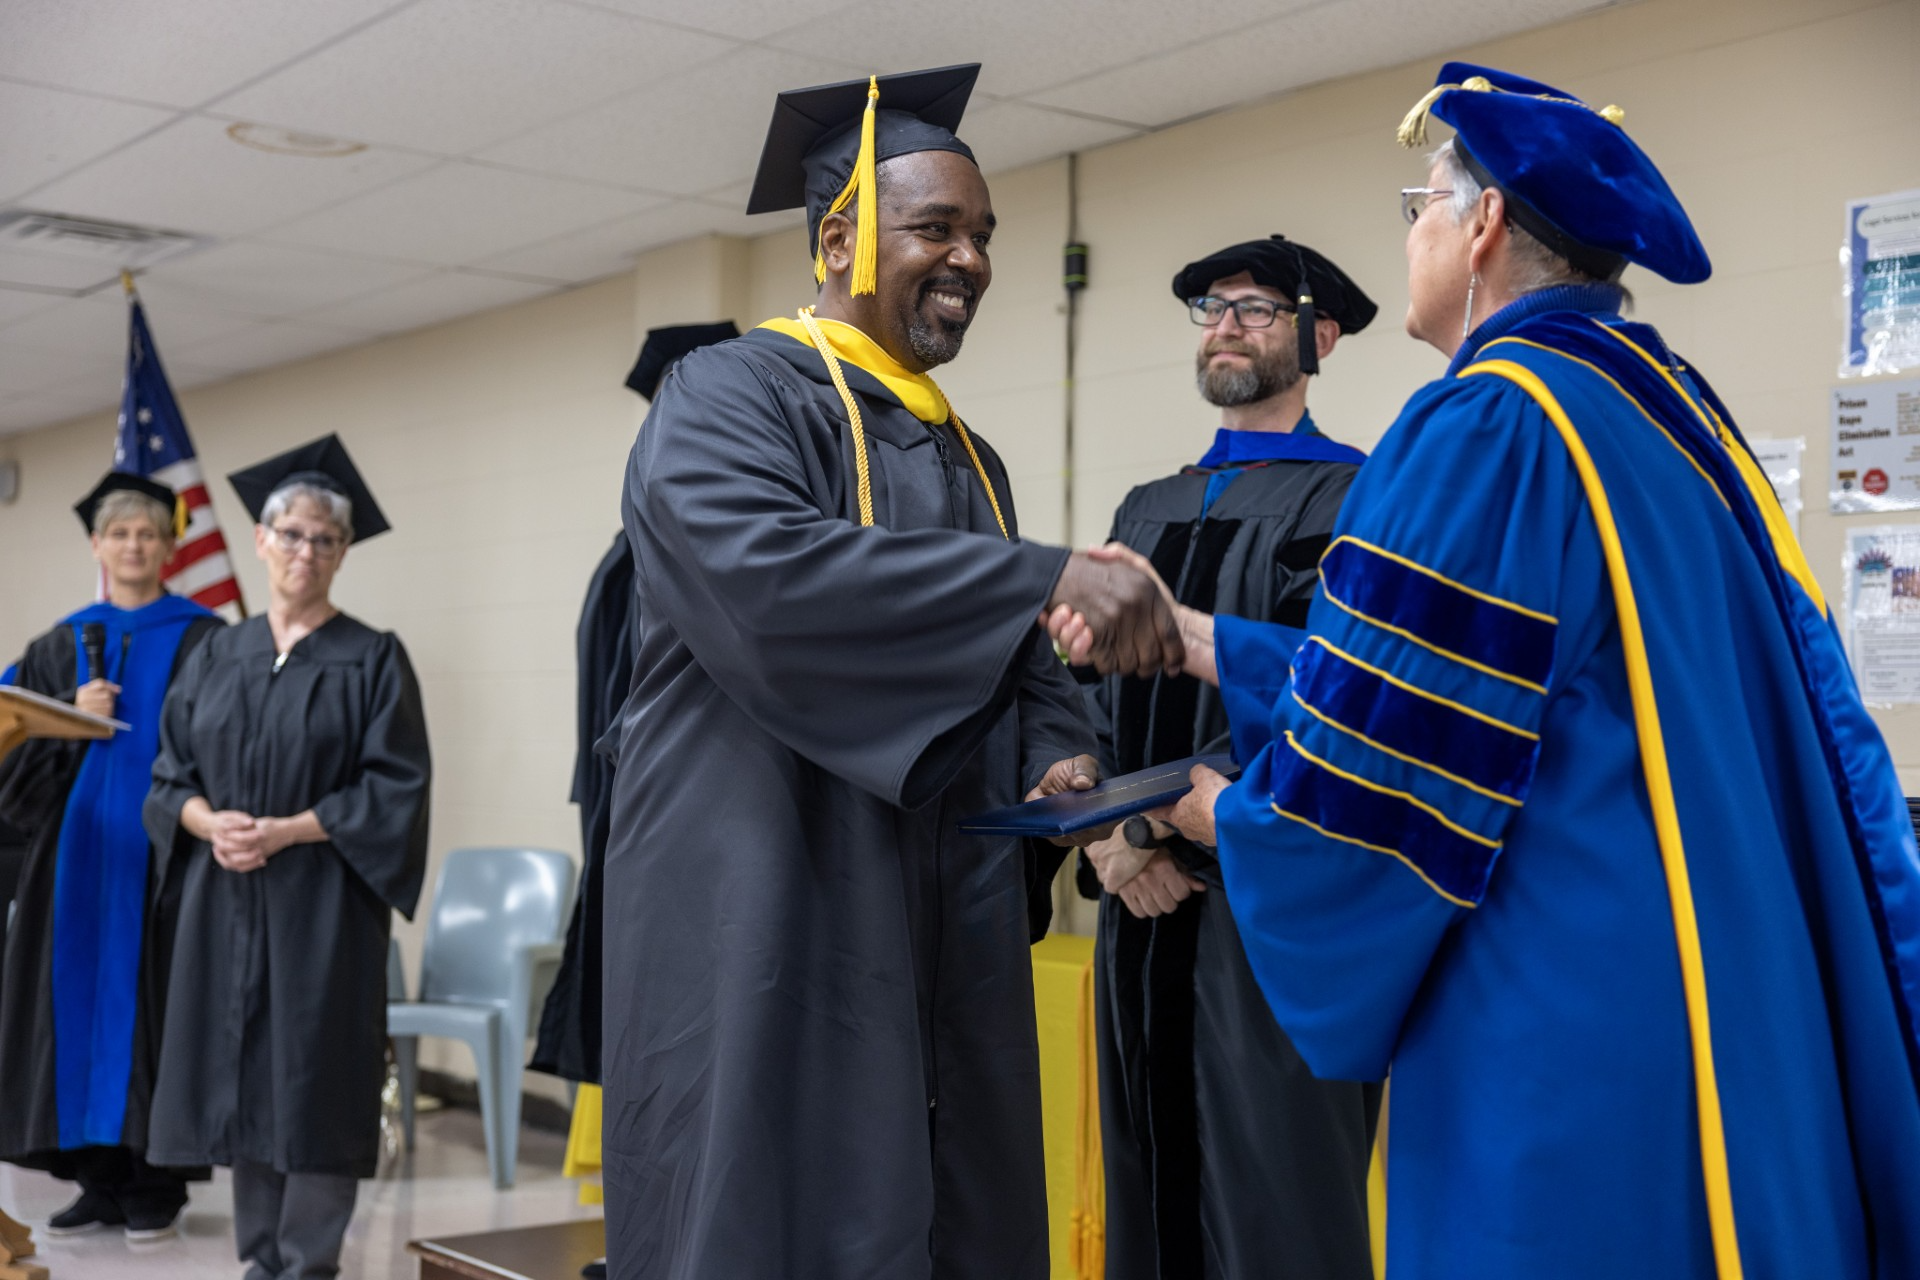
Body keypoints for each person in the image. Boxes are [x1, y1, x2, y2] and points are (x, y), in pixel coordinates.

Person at [1054, 62, 1920, 1280]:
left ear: (1486, 223)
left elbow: (1385, 782)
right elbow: (1448, 672)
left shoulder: (1492, 419)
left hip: (1556, 1000)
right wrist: (1200, 638)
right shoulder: (1666, 412)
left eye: (1422, 203)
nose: (1411, 230)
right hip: (1708, 979)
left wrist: (1224, 811)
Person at [599, 64, 1180, 1280]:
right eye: (935, 227)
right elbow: (770, 584)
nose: (968, 256)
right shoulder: (728, 397)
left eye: (981, 234)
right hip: (768, 874)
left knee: (950, 1198)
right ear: (839, 237)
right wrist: (1044, 575)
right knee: (771, 1200)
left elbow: (1022, 668)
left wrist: (1060, 757)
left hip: (944, 890)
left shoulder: (973, 452)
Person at [1080, 236, 1380, 1280]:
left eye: (1258, 307)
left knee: (1278, 1192)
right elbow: (1082, 696)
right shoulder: (1141, 509)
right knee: (1141, 1170)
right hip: (1136, 906)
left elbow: (1340, 689)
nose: (1227, 323)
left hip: (1270, 912)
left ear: (1320, 336)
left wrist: (1159, 817)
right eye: (1212, 306)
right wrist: (1112, 837)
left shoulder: (1358, 501)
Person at [144, 434, 431, 1280]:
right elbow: (169, 776)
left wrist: (286, 829)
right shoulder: (215, 654)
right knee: (237, 1074)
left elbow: (395, 788)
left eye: (325, 539)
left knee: (312, 1077)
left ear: (343, 553)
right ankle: (259, 1260)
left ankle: (307, 1264)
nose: (306, 551)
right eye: (291, 533)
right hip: (223, 897)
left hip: (322, 901)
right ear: (262, 540)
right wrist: (205, 823)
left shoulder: (373, 658)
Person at [0, 472, 220, 1240]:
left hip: (166, 863)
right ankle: (96, 1180)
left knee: (158, 1015)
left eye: (148, 532)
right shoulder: (56, 647)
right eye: (118, 532)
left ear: (169, 544)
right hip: (73, 864)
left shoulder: (205, 639)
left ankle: (155, 1185)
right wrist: (66, 724)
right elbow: (11, 773)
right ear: (97, 545)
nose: (133, 544)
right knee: (69, 1020)